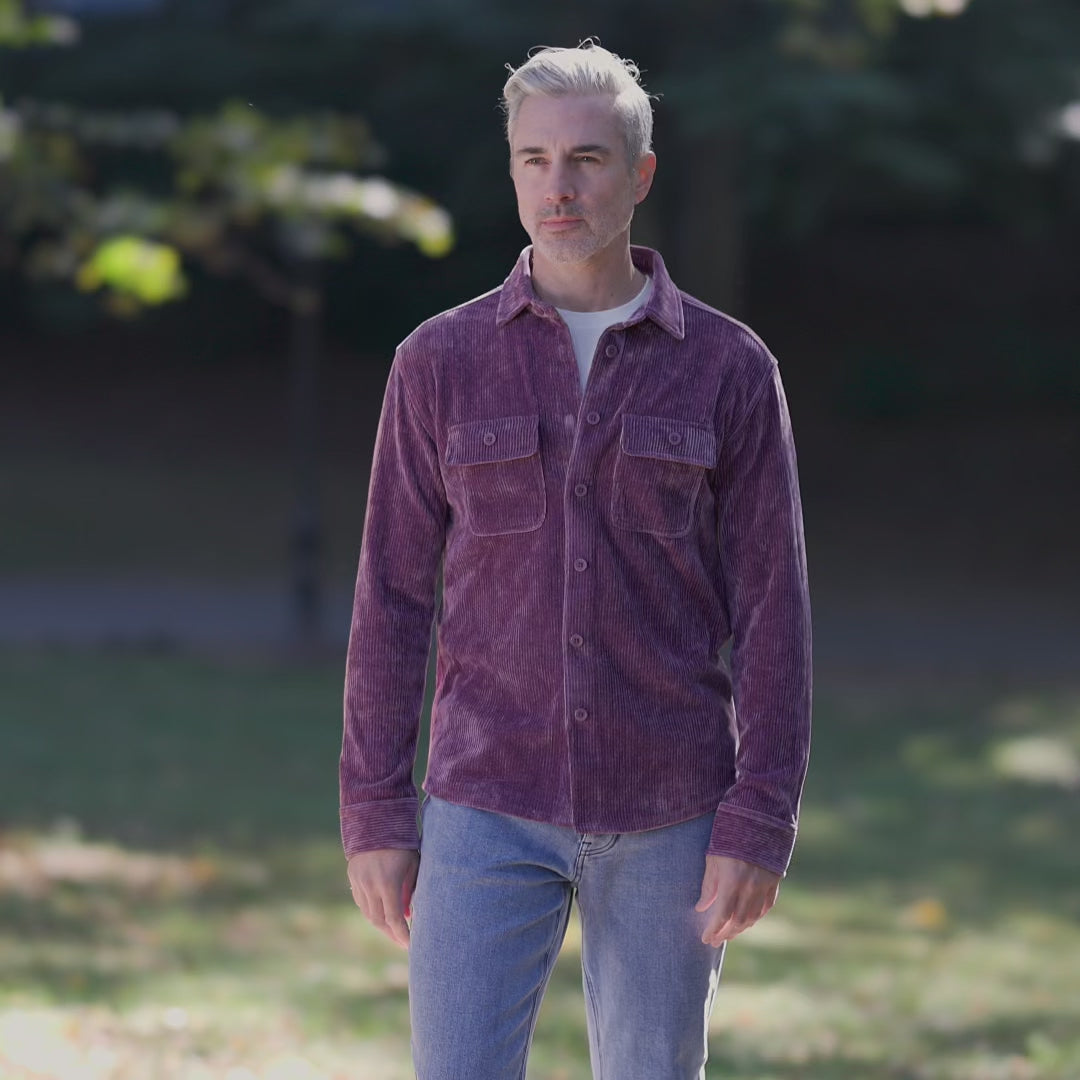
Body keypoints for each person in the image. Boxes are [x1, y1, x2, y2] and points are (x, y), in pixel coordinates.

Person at [340, 41, 812, 1080]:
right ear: (511, 172)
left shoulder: (729, 369)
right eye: (536, 159)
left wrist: (760, 818)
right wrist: (373, 808)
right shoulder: (439, 363)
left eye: (589, 158)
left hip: (670, 809)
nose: (561, 186)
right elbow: (390, 598)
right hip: (483, 799)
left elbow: (776, 611)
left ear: (639, 175)